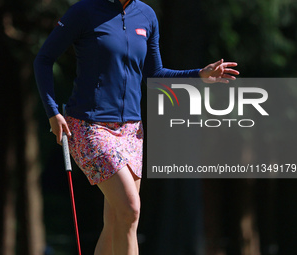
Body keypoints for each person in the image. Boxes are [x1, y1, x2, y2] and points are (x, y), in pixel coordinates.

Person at [34, 0, 239, 254]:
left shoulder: (147, 16)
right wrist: (53, 112)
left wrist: (199, 74)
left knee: (117, 224)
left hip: (132, 131)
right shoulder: (84, 11)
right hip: (89, 127)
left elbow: (155, 73)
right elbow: (43, 59)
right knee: (131, 209)